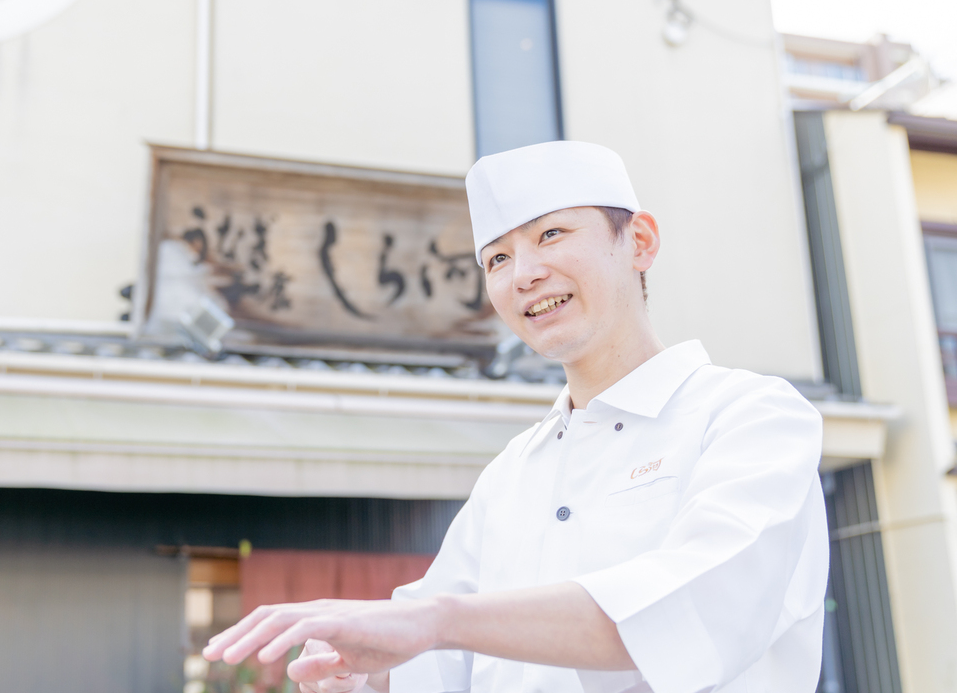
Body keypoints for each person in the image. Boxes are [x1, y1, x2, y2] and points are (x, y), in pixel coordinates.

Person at [202, 141, 828, 693]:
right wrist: (358, 668)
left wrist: (432, 622)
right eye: (497, 259)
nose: (524, 274)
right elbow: (444, 665)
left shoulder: (751, 417)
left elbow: (696, 610)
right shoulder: (513, 470)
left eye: (550, 235)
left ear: (638, 242)